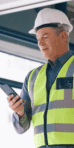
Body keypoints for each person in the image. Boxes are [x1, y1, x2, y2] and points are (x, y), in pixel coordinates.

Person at [7, 8, 74, 148]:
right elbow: (21, 128)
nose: (40, 44)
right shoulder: (32, 77)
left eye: (45, 37)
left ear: (63, 36)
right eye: (38, 38)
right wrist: (19, 112)